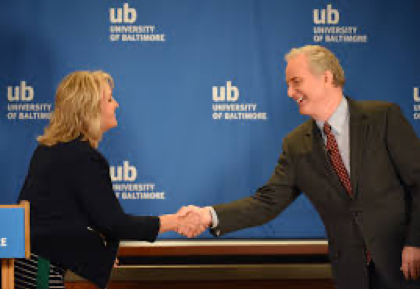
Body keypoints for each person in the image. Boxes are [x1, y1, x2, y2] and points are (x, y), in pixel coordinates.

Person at [179, 45, 420, 289]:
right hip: (351, 274)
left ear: (326, 77)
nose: (290, 92)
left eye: (296, 82)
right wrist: (209, 216)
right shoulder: (295, 145)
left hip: (405, 262)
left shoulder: (383, 118)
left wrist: (416, 243)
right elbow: (266, 203)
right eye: (288, 85)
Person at [15, 71, 202, 289]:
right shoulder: (83, 157)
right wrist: (176, 221)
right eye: (110, 99)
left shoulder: (48, 150)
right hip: (39, 271)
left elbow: (61, 219)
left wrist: (95, 253)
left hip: (26, 266)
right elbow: (114, 224)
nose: (116, 104)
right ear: (90, 108)